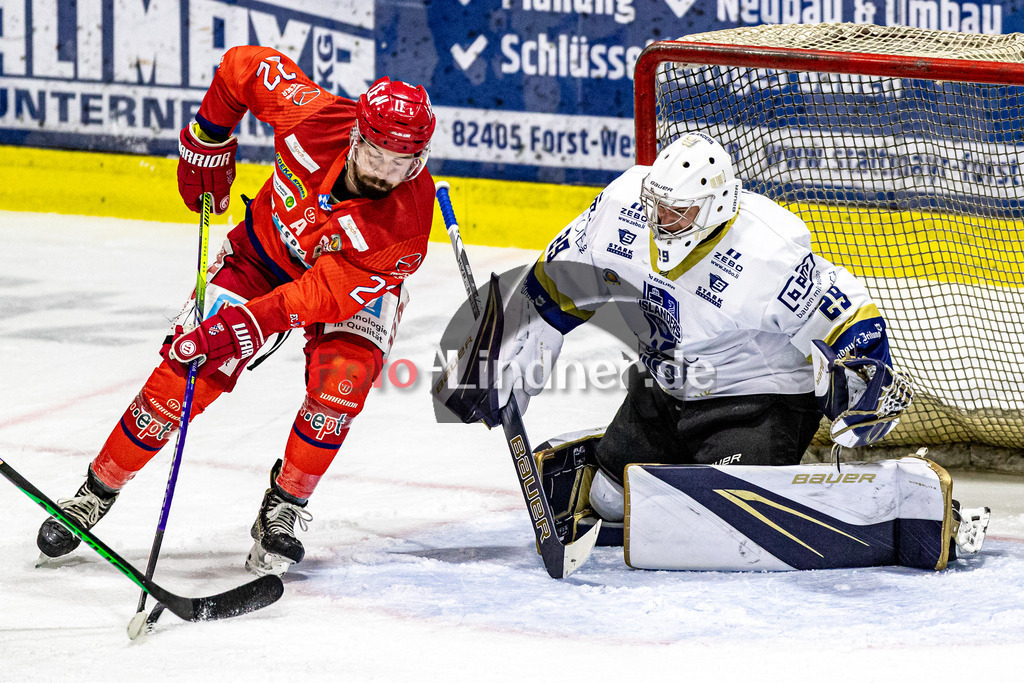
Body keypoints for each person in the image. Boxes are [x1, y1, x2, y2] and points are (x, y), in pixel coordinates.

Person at [436, 132, 987, 564]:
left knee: (710, 521)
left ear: (717, 207)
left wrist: (864, 383)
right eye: (658, 205)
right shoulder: (625, 204)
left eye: (680, 213)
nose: (660, 220)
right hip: (663, 384)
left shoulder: (765, 252)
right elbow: (554, 291)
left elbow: (850, 316)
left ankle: (866, 509)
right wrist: (501, 356)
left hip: (758, 399)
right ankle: (603, 459)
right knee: (607, 504)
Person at [36, 46, 437, 576]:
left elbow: (317, 297)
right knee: (186, 370)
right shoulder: (314, 118)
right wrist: (208, 140)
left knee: (343, 380)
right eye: (376, 155)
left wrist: (246, 326)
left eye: (401, 162)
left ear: (419, 160)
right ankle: (95, 491)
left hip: (339, 290)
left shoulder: (404, 228)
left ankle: (286, 506)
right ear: (356, 137)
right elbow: (241, 68)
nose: (385, 172)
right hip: (258, 257)